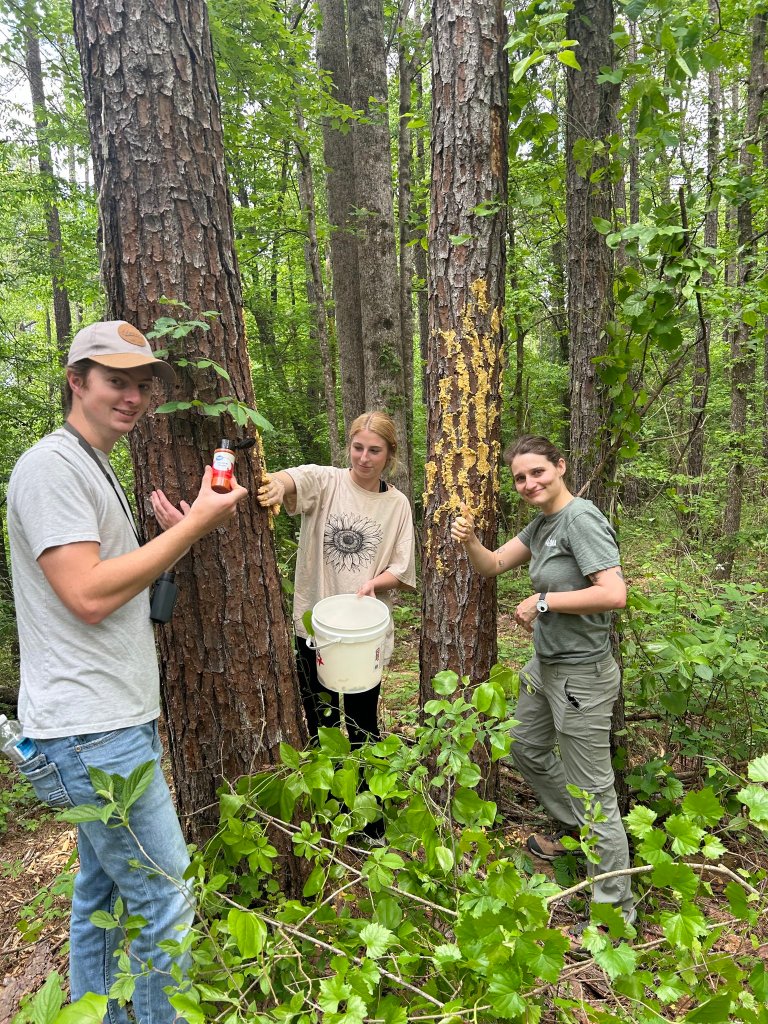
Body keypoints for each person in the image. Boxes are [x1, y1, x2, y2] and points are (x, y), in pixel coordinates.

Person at [7, 320, 248, 1024]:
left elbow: (106, 584)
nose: (133, 396)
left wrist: (171, 539)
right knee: (168, 896)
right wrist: (195, 525)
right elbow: (84, 596)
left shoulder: (91, 462)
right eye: (116, 380)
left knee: (104, 896)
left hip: (111, 719)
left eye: (143, 384)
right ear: (76, 381)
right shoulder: (51, 467)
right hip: (93, 729)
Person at [450, 434, 634, 927]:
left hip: (582, 676)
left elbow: (614, 593)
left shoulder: (582, 519)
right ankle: (581, 833)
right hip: (545, 668)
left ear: (561, 466)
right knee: (524, 747)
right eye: (520, 478)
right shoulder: (542, 525)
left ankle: (613, 918)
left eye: (538, 472)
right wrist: (469, 541)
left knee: (595, 791)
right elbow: (490, 565)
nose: (529, 483)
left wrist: (545, 602)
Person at [255, 412, 416, 747]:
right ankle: (329, 794)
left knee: (363, 720)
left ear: (390, 454)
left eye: (374, 450)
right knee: (321, 718)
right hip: (316, 626)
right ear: (349, 447)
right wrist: (275, 486)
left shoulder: (397, 504)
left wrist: (374, 584)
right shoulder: (326, 482)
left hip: (363, 631)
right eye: (358, 447)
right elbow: (292, 479)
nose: (364, 458)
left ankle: (368, 793)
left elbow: (400, 568)